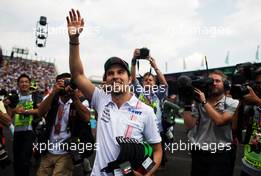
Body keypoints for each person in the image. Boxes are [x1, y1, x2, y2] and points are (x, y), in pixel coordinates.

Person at [66, 9, 162, 176]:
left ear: (129, 79)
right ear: (106, 79)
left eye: (120, 72)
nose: (115, 76)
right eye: (110, 73)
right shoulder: (100, 98)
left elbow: (157, 151)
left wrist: (145, 174)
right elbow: (78, 74)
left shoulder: (145, 111)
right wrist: (74, 40)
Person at [182, 70, 239, 176]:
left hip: (221, 155)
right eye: (211, 81)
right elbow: (189, 125)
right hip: (199, 153)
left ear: (225, 85)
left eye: (218, 81)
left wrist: (204, 102)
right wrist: (187, 103)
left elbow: (220, 121)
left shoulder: (232, 103)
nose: (214, 83)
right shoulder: (198, 102)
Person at [36, 73, 91, 176]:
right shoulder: (51, 98)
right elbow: (40, 112)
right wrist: (53, 92)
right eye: (62, 83)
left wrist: (73, 97)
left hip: (66, 152)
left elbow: (88, 117)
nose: (66, 86)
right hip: (48, 150)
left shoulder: (81, 101)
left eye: (68, 83)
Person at [131, 49, 168, 167]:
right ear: (142, 83)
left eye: (150, 80)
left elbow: (165, 84)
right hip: (140, 132)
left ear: (154, 83)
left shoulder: (159, 93)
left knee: (152, 162)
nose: (148, 82)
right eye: (145, 80)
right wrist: (133, 60)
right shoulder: (140, 91)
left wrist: (155, 66)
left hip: (156, 132)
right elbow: (132, 78)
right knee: (141, 161)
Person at [232, 66, 261, 176]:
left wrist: (259, 103)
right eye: (258, 84)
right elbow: (235, 127)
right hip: (249, 165)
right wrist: (241, 102)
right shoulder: (254, 103)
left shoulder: (258, 102)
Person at [9, 73, 42, 176]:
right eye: (21, 82)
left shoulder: (35, 96)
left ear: (29, 84)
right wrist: (15, 110)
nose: (24, 84)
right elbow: (9, 116)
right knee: (17, 161)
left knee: (25, 160)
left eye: (26, 82)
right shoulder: (14, 97)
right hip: (17, 132)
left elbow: (40, 111)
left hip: (30, 131)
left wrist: (26, 112)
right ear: (18, 84)